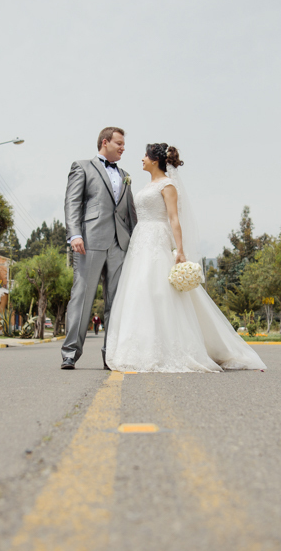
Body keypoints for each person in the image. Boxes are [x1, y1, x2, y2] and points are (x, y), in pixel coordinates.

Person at [105, 144, 266, 373]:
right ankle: (137, 347)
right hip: (141, 240)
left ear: (155, 160)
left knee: (159, 291)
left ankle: (171, 349)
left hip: (158, 239)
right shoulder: (148, 185)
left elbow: (174, 218)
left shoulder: (168, 185)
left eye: (145, 156)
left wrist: (179, 250)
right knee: (140, 289)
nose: (141, 159)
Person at [60, 127, 138, 370]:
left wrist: (136, 241)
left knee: (116, 301)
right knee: (82, 296)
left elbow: (130, 211)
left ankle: (111, 354)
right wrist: (75, 234)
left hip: (120, 244)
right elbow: (72, 201)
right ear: (105, 142)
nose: (123, 147)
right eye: (119, 143)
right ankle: (70, 352)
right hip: (89, 241)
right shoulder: (82, 167)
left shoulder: (125, 174)